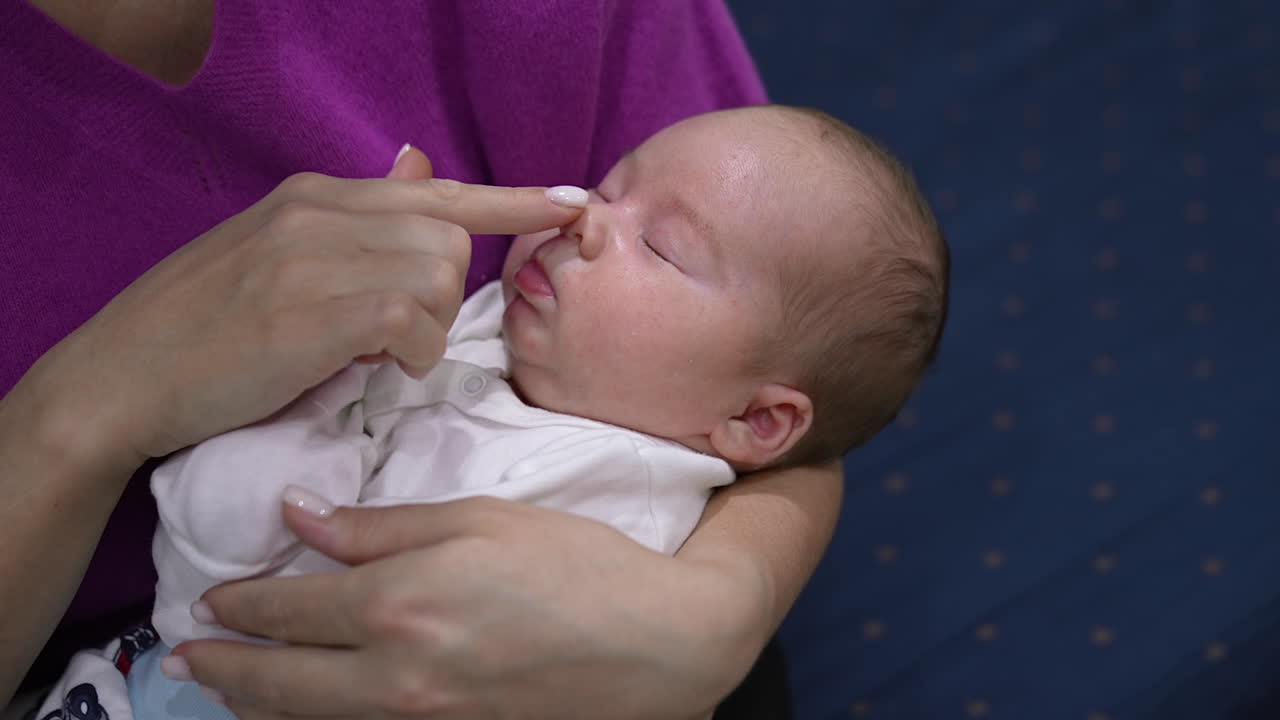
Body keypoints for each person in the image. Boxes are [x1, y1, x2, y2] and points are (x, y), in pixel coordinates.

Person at [0, 2, 848, 718]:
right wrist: (77, 416)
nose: (587, 213)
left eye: (659, 246)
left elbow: (807, 375)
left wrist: (718, 606)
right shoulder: (494, 325)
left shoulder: (642, 473)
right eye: (608, 187)